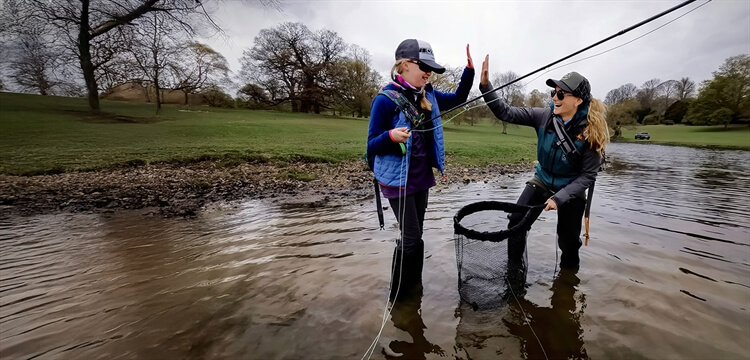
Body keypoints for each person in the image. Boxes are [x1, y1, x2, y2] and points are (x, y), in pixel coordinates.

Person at [367, 39, 475, 301]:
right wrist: (390, 137)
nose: (428, 73)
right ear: (404, 65)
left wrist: (469, 72)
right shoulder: (385, 100)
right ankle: (399, 297)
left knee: (415, 237)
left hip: (421, 178)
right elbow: (371, 146)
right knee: (412, 239)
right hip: (397, 182)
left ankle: (414, 289)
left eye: (431, 69)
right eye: (424, 66)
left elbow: (459, 98)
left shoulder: (430, 95)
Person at [478, 55, 609, 271]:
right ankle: (514, 270)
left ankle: (567, 286)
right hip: (543, 178)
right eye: (553, 93)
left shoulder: (591, 132)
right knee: (516, 221)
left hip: (571, 189)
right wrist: (485, 87)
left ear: (578, 100)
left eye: (560, 94)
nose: (555, 98)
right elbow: (505, 112)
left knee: (568, 243)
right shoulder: (543, 116)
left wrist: (560, 198)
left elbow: (587, 176)